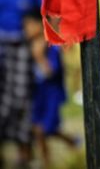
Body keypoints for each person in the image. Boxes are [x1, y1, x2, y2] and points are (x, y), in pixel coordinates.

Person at [0, 0, 44, 167]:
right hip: (1, 49)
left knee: (20, 102)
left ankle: (25, 153)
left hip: (23, 51)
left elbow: (50, 17)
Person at [23, 9, 79, 168]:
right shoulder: (29, 46)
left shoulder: (51, 46)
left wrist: (40, 58)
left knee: (42, 130)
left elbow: (52, 73)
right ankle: (72, 142)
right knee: (42, 130)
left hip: (51, 96)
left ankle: (46, 162)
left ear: (40, 25)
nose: (26, 29)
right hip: (38, 95)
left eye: (29, 25)